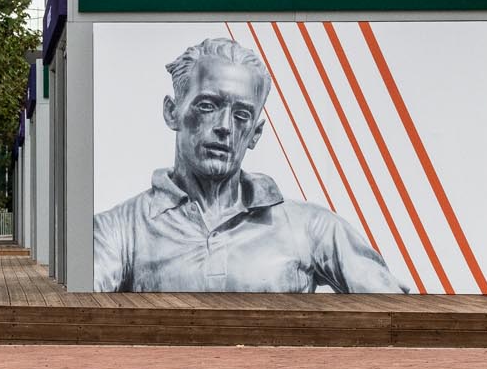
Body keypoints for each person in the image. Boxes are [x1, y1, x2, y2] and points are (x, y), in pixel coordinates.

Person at [93, 35, 408, 293]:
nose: (225, 127)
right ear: (172, 112)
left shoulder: (312, 228)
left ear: (255, 133)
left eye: (242, 115)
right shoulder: (118, 231)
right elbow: (79, 318)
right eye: (208, 106)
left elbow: (398, 316)